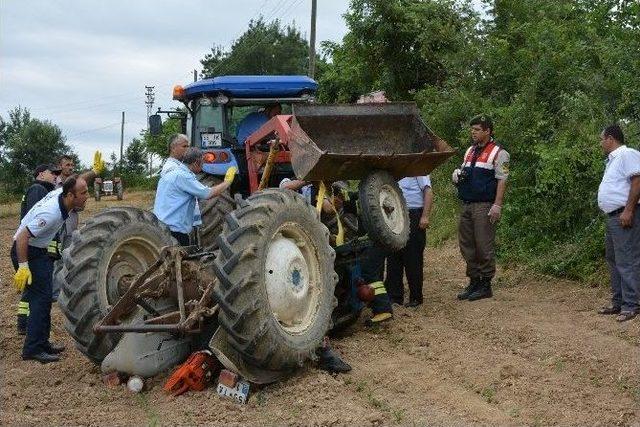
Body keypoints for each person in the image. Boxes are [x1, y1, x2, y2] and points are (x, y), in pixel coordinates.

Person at [12, 176, 89, 363]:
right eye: (84, 193)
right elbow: (22, 237)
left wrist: (94, 172)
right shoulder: (51, 214)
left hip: (38, 251)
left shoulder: (61, 193)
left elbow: (78, 179)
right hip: (26, 252)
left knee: (45, 298)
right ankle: (32, 348)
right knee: (39, 300)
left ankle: (42, 342)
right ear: (71, 195)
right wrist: (23, 267)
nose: (88, 196)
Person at [452, 115, 510, 301]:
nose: (473, 132)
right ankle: (474, 281)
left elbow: (502, 180)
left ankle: (486, 284)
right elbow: (466, 173)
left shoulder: (500, 153)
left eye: (477, 129)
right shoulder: (470, 151)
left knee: (483, 245)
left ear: (487, 131)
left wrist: (497, 205)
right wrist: (457, 175)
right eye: (472, 129)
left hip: (484, 205)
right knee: (467, 245)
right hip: (467, 203)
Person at [596, 124, 640, 322]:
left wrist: (629, 209)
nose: (600, 143)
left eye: (601, 139)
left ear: (610, 139)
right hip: (613, 216)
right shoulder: (612, 160)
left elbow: (637, 180)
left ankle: (631, 305)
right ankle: (618, 302)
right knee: (613, 259)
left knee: (627, 259)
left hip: (624, 214)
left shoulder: (627, 154)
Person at [153, 147, 235, 246]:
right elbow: (208, 194)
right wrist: (227, 183)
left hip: (160, 228)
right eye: (202, 162)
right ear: (196, 162)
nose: (203, 165)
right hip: (175, 231)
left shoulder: (170, 174)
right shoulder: (184, 177)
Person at [16, 164, 62, 335]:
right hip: (35, 249)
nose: (56, 176)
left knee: (31, 289)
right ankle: (25, 324)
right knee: (34, 291)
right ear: (41, 174)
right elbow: (38, 219)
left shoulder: (40, 189)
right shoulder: (37, 189)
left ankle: (24, 322)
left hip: (34, 247)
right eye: (53, 173)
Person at [385, 176, 433, 307]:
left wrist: (425, 216)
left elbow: (428, 191)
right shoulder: (393, 169)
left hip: (413, 214)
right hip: (394, 215)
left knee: (413, 258)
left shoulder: (419, 168)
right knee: (394, 256)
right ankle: (395, 297)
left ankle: (416, 298)